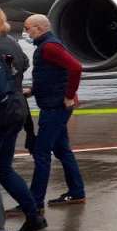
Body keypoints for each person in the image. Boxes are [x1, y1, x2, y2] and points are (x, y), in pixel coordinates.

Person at [23, 14, 86, 210]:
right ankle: (76, 192)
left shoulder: (49, 46)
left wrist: (69, 94)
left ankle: (35, 202)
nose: (26, 31)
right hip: (53, 105)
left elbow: (76, 67)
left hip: (55, 108)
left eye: (28, 28)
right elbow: (52, 74)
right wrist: (32, 90)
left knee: (42, 154)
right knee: (62, 150)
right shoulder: (47, 46)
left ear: (39, 28)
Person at [0, 9, 46, 231]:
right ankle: (33, 215)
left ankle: (33, 215)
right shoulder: (10, 42)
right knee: (4, 169)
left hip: (3, 111)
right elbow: (24, 64)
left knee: (3, 169)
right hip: (16, 108)